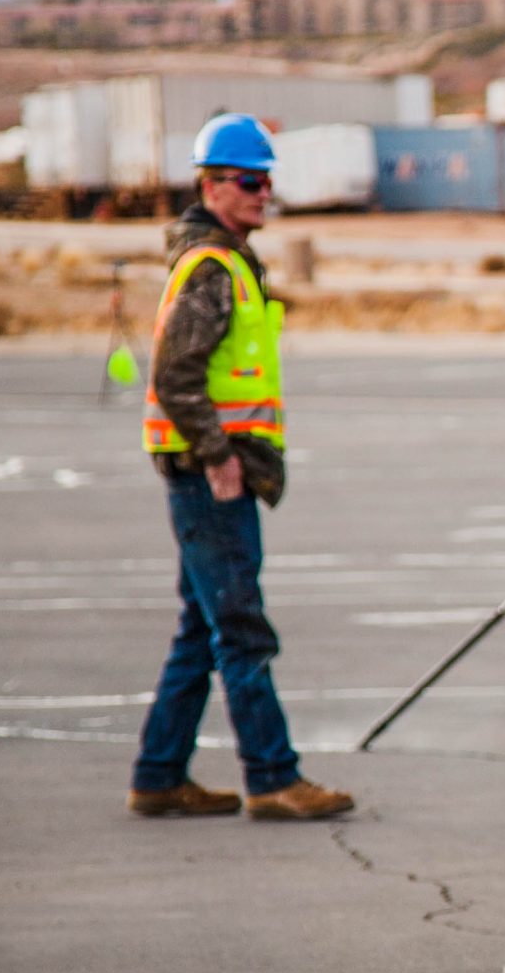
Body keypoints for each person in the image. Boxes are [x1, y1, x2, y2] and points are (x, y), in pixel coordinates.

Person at [127, 114, 354, 821]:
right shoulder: (213, 271)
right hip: (210, 478)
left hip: (211, 474)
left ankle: (159, 775)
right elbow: (175, 375)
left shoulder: (225, 262)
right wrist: (221, 459)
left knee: (202, 629)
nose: (264, 193)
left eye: (267, 181)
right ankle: (272, 776)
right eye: (251, 181)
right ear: (213, 185)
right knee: (240, 628)